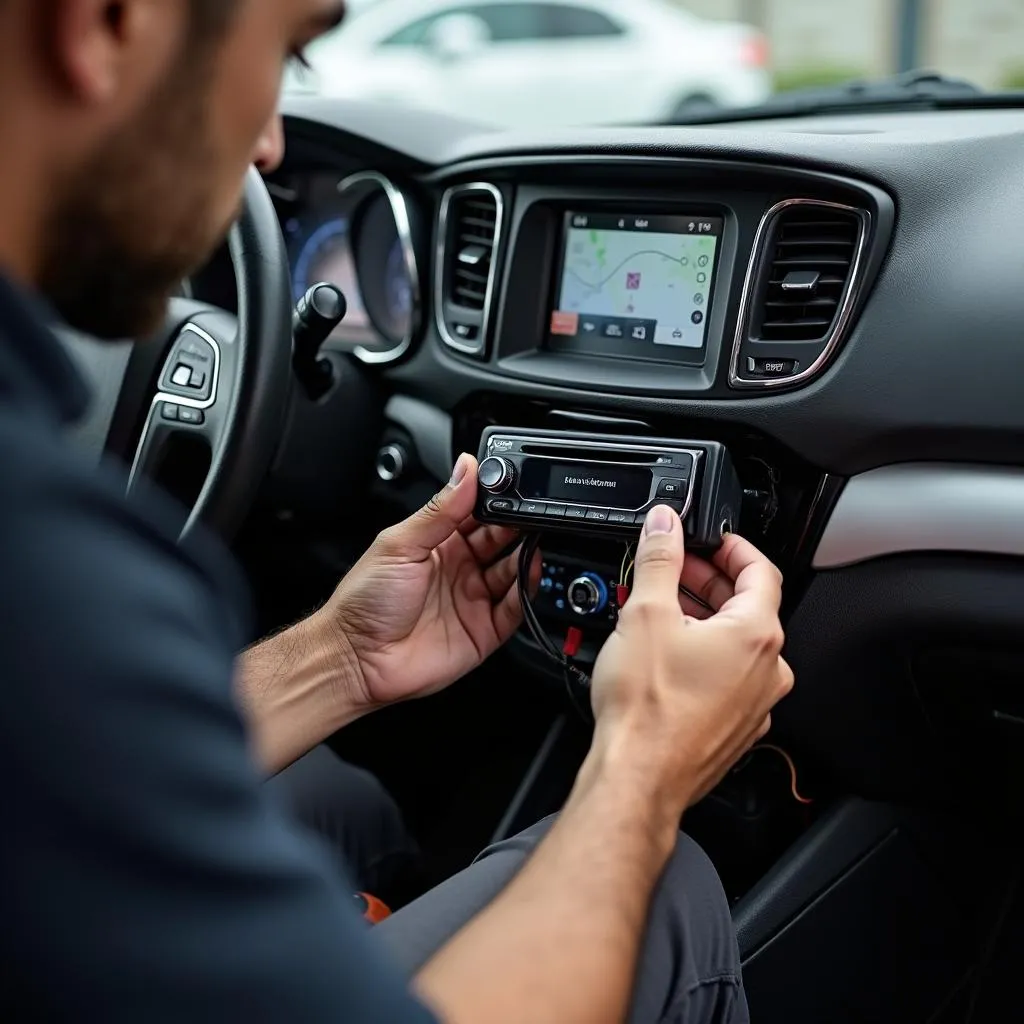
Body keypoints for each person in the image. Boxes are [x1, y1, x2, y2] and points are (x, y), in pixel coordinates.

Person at [0, 1, 794, 1022]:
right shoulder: (47, 570)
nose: (272, 142)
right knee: (667, 890)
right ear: (110, 21)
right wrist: (640, 765)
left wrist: (339, 658)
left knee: (336, 797)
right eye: (284, 53)